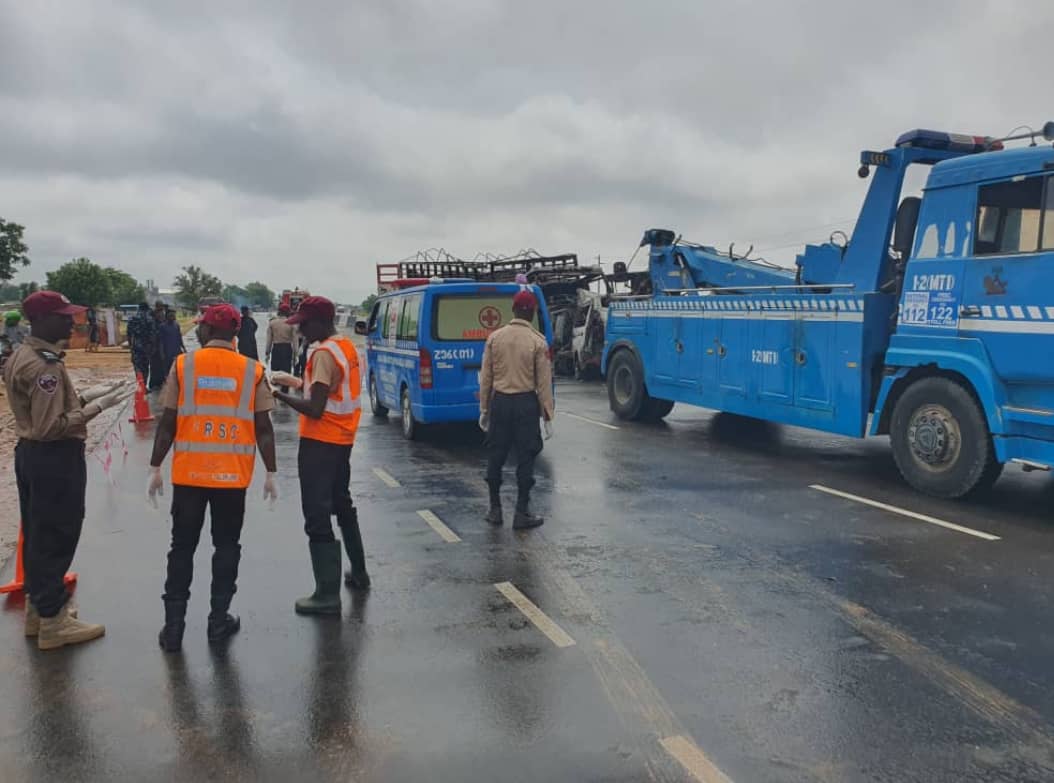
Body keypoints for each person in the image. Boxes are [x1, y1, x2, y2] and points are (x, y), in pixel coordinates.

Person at [2, 291, 132, 650]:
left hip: (31, 454)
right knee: (57, 534)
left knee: (39, 532)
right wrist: (96, 408)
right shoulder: (44, 365)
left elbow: (43, 413)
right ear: (41, 320)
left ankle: (42, 608)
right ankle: (53, 623)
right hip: (53, 456)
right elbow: (51, 426)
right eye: (62, 316)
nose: (71, 322)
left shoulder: (21, 355)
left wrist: (88, 396)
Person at [147, 303, 278, 652]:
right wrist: (271, 472)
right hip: (231, 480)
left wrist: (156, 465)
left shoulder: (183, 365)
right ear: (236, 332)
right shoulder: (252, 370)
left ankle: (173, 629)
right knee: (226, 546)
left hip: (189, 476)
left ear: (205, 330)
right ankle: (218, 622)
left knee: (182, 548)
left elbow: (168, 422)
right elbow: (264, 428)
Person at [272, 296, 369, 616]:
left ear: (321, 322)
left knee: (317, 514)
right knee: (342, 503)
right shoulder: (345, 348)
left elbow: (315, 408)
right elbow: (327, 391)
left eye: (304, 323)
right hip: (342, 439)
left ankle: (327, 595)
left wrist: (278, 394)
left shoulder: (323, 353)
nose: (299, 329)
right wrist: (296, 382)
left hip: (320, 442)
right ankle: (359, 572)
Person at [478, 289, 554, 529]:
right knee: (526, 458)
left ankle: (495, 509)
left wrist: (484, 409)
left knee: (496, 455)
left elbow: (486, 378)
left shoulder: (495, 338)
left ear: (512, 310)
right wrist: (547, 416)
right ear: (531, 313)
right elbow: (543, 383)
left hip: (500, 402)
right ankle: (521, 512)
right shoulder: (537, 341)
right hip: (525, 405)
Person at [127, 302, 157, 388]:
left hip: (136, 346)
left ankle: (140, 386)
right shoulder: (150, 319)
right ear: (147, 309)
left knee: (137, 367)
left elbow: (129, 334)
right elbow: (153, 334)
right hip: (147, 347)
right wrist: (153, 346)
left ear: (139, 308)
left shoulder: (132, 318)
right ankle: (144, 386)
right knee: (145, 366)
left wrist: (130, 345)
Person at [265, 307, 296, 390]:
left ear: (279, 312)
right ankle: (285, 391)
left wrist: (267, 353)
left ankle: (275, 391)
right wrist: (295, 355)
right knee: (286, 370)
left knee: (275, 370)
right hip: (287, 348)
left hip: (276, 348)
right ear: (288, 313)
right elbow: (295, 341)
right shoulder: (291, 324)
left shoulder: (272, 323)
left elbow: (269, 340)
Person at [158, 309, 185, 383]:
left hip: (176, 349)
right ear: (167, 316)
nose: (173, 317)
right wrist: (162, 352)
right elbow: (161, 341)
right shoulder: (162, 327)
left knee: (177, 367)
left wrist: (183, 348)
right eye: (171, 315)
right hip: (167, 351)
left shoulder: (176, 325)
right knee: (167, 368)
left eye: (173, 315)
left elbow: (179, 337)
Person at [149, 303, 167, 391]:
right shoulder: (152, 317)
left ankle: (160, 382)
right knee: (155, 365)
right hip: (154, 345)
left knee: (161, 364)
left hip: (161, 344)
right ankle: (154, 383)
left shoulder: (161, 314)